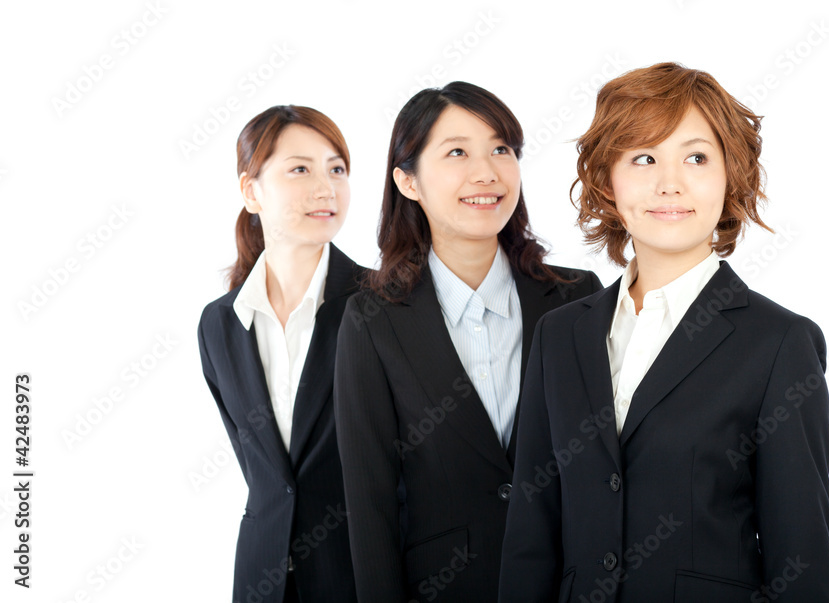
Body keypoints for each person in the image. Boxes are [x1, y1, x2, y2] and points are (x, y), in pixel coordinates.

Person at [499, 63, 829, 602]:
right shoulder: (560, 336)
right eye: (644, 158)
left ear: (732, 176)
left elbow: (799, 556)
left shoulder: (779, 344)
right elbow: (530, 533)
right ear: (607, 181)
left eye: (696, 157)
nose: (669, 183)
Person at [333, 81, 602, 602]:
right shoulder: (372, 321)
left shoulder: (578, 299)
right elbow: (370, 506)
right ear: (408, 182)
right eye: (457, 152)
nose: (488, 172)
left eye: (502, 149)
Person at [197, 105, 360, 603]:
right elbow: (264, 474)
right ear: (251, 192)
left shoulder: (382, 305)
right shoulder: (221, 323)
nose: (325, 187)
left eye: (337, 169)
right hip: (260, 576)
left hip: (360, 573)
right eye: (300, 169)